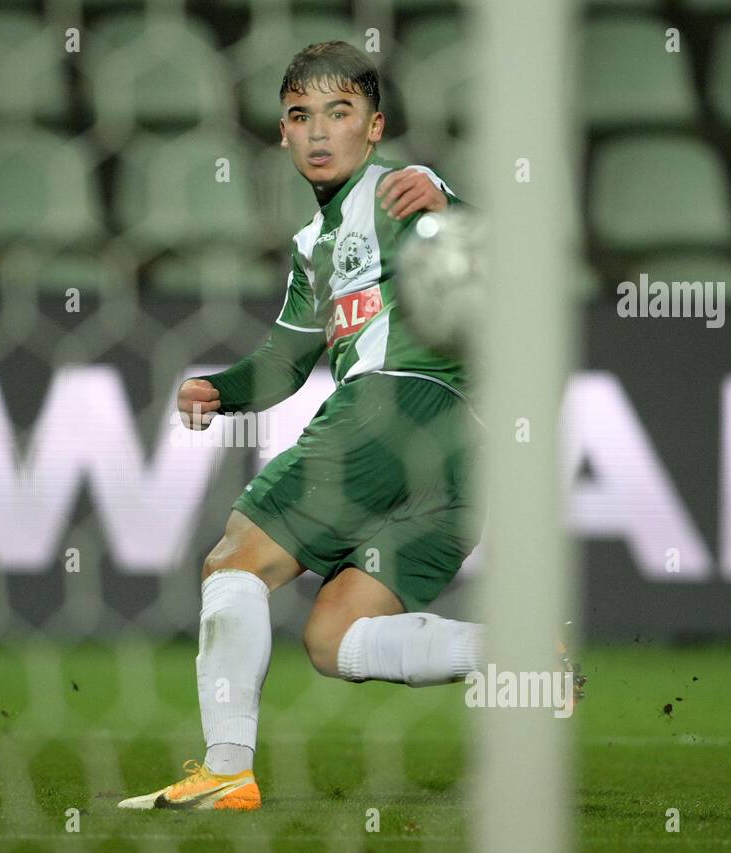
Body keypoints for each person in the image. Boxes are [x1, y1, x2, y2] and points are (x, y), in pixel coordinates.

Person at [119, 40, 486, 812]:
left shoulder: (396, 194)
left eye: (339, 113)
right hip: (460, 460)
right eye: (299, 116)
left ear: (375, 126)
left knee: (233, 565)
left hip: (395, 406)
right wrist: (220, 389)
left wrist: (449, 206)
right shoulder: (315, 252)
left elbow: (481, 253)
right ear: (282, 136)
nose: (319, 132)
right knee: (335, 641)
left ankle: (226, 769)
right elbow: (284, 364)